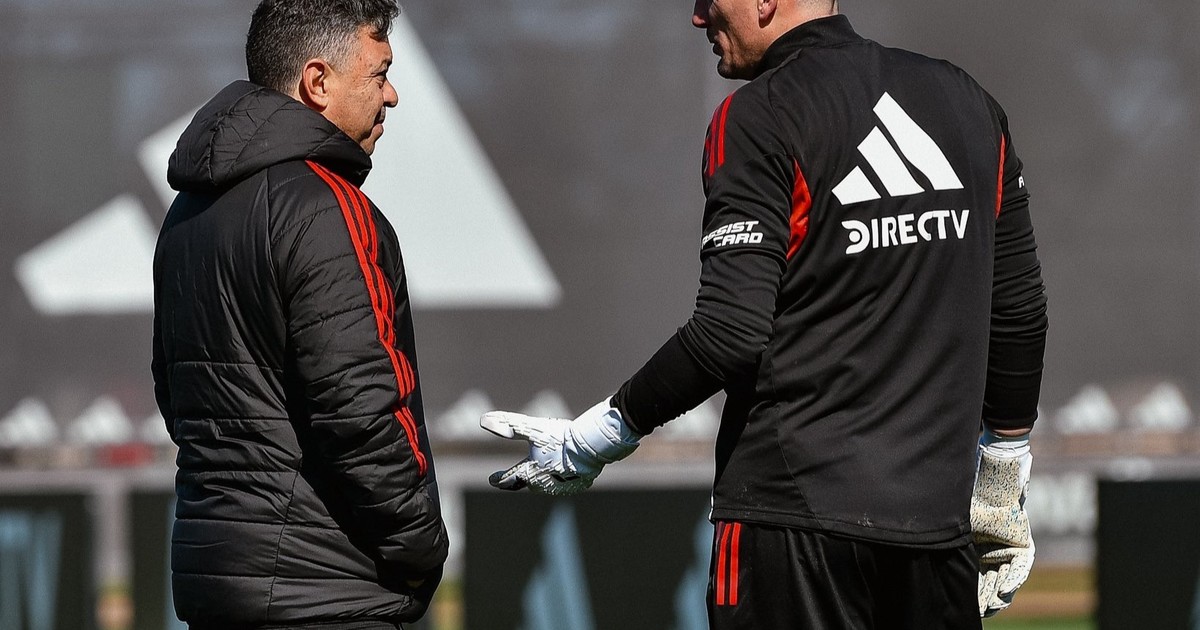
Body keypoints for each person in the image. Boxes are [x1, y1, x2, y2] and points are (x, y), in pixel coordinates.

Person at [480, 1, 1047, 628]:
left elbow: (728, 332)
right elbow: (1018, 312)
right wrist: (1003, 477)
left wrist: (593, 440)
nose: (698, 16)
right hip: (935, 538)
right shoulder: (966, 102)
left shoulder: (760, 115)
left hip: (790, 530)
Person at [151, 1, 448, 627]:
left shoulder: (187, 214)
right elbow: (362, 412)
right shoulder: (327, 209)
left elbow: (178, 401)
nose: (392, 95)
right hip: (326, 596)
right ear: (318, 82)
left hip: (216, 587)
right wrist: (422, 550)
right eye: (379, 73)